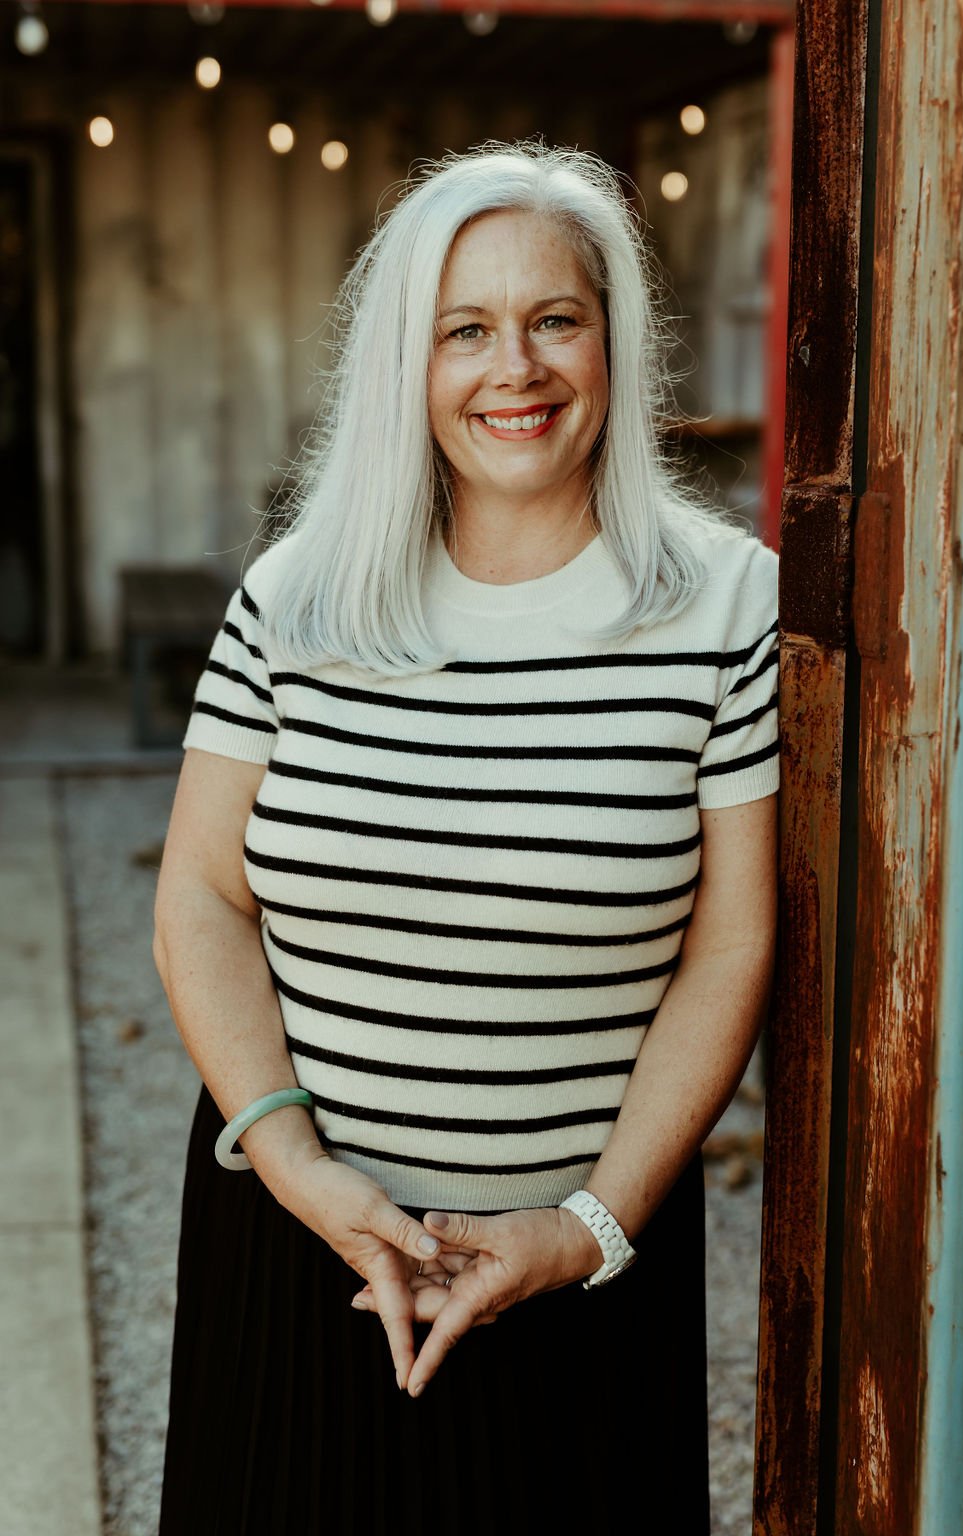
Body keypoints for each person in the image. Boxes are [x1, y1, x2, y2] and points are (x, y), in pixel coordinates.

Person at [153, 141, 778, 1536]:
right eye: (468, 330)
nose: (519, 368)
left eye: (556, 318)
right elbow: (199, 894)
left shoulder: (725, 607)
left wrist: (591, 1227)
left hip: (580, 1290)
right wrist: (304, 1172)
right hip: (304, 1263)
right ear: (408, 364)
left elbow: (730, 945)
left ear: (612, 339)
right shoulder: (297, 598)